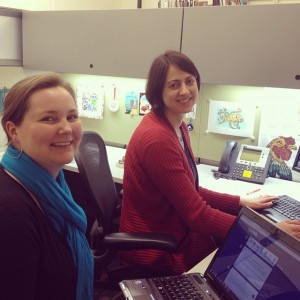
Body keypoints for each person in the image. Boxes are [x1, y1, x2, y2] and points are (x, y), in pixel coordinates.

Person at [120, 50, 300, 274]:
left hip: (175, 231)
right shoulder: (157, 139)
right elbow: (196, 214)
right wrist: (269, 232)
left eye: (190, 81)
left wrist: (240, 202)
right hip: (159, 248)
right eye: (174, 85)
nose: (185, 90)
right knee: (248, 264)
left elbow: (190, 191)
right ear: (158, 91)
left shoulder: (177, 125)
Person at [0, 73, 94, 300]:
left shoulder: (56, 186)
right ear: (13, 131)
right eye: (49, 119)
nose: (66, 129)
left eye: (72, 117)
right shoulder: (11, 213)